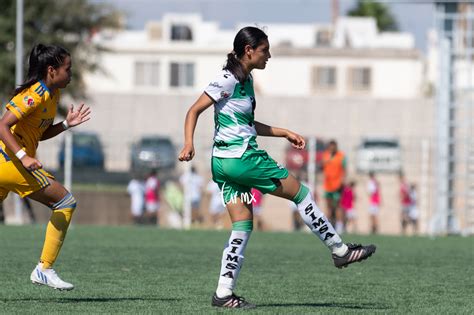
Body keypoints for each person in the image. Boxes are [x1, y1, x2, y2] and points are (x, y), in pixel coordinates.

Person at [178, 26, 376, 309]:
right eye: (264, 50)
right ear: (249, 51)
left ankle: (223, 292)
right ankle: (339, 250)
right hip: (243, 159)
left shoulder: (245, 80)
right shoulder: (228, 79)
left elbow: (245, 124)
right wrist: (188, 143)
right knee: (301, 193)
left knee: (243, 225)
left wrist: (283, 132)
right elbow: (194, 110)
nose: (268, 55)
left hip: (223, 164)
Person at [0, 44, 91, 290]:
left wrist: (65, 125)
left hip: (8, 163)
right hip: (9, 163)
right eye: (67, 69)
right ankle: (44, 268)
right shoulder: (35, 94)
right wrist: (23, 157)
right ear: (51, 70)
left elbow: (38, 133)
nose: (71, 73)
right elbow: (2, 126)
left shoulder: (53, 95)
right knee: (65, 202)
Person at [322, 140, 346, 234]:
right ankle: (328, 226)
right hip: (328, 185)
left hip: (337, 185)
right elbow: (323, 166)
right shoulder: (326, 155)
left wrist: (342, 181)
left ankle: (339, 226)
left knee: (338, 206)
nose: (332, 149)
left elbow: (344, 169)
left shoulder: (341, 156)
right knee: (328, 206)